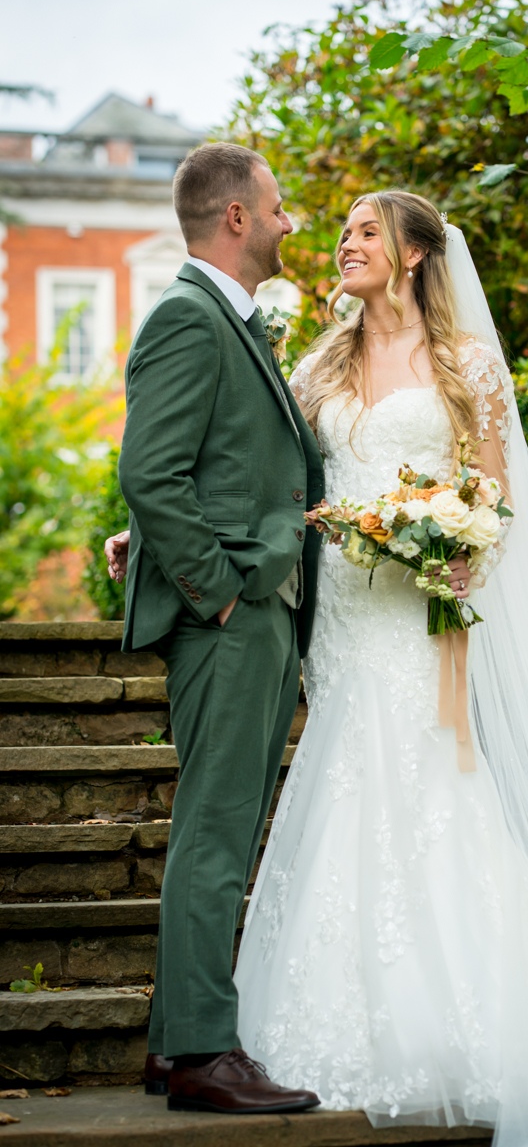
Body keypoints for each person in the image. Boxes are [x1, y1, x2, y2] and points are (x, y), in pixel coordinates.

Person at [108, 188, 528, 1145]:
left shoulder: (467, 364)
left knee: (427, 783)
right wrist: (140, 534)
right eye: (340, 230)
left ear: (415, 254)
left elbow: (494, 491)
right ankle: (232, 1033)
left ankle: (467, 1012)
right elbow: (257, 473)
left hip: (416, 615)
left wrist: (461, 543)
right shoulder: (318, 363)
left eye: (362, 232)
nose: (342, 243)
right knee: (341, 778)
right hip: (339, 619)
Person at [113, 142, 324, 1115]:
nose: (289, 224)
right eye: (277, 208)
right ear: (236, 217)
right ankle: (203, 1052)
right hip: (231, 618)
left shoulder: (230, 323)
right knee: (214, 835)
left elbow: (203, 468)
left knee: (224, 835)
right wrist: (220, 592)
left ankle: (171, 1047)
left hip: (257, 612)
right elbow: (149, 475)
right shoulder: (186, 319)